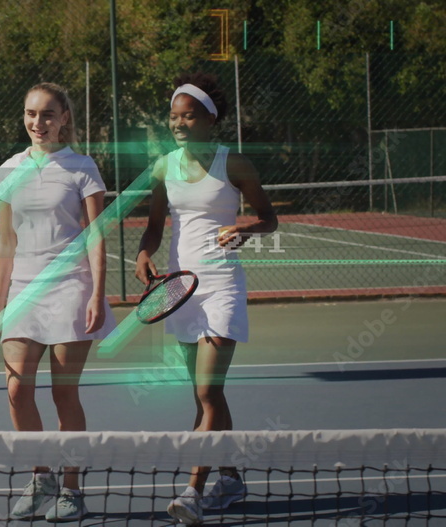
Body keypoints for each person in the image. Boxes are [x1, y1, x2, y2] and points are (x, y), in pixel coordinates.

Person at [135, 72, 278, 525]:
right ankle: (230, 477)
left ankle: (193, 492)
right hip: (181, 293)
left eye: (188, 116)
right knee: (206, 398)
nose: (178, 123)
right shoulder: (164, 167)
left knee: (207, 390)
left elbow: (269, 219)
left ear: (210, 120)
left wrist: (245, 229)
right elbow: (154, 226)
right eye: (174, 116)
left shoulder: (234, 163)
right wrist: (143, 252)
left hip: (221, 288)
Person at [0, 82, 117, 522]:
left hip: (70, 288)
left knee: (64, 394)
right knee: (16, 389)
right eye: (30, 113)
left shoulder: (82, 167)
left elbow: (96, 236)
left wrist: (98, 293)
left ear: (64, 118)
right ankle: (41, 476)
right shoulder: (9, 169)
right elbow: (6, 242)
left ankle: (72, 490)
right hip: (23, 290)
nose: (37, 122)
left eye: (47, 114)